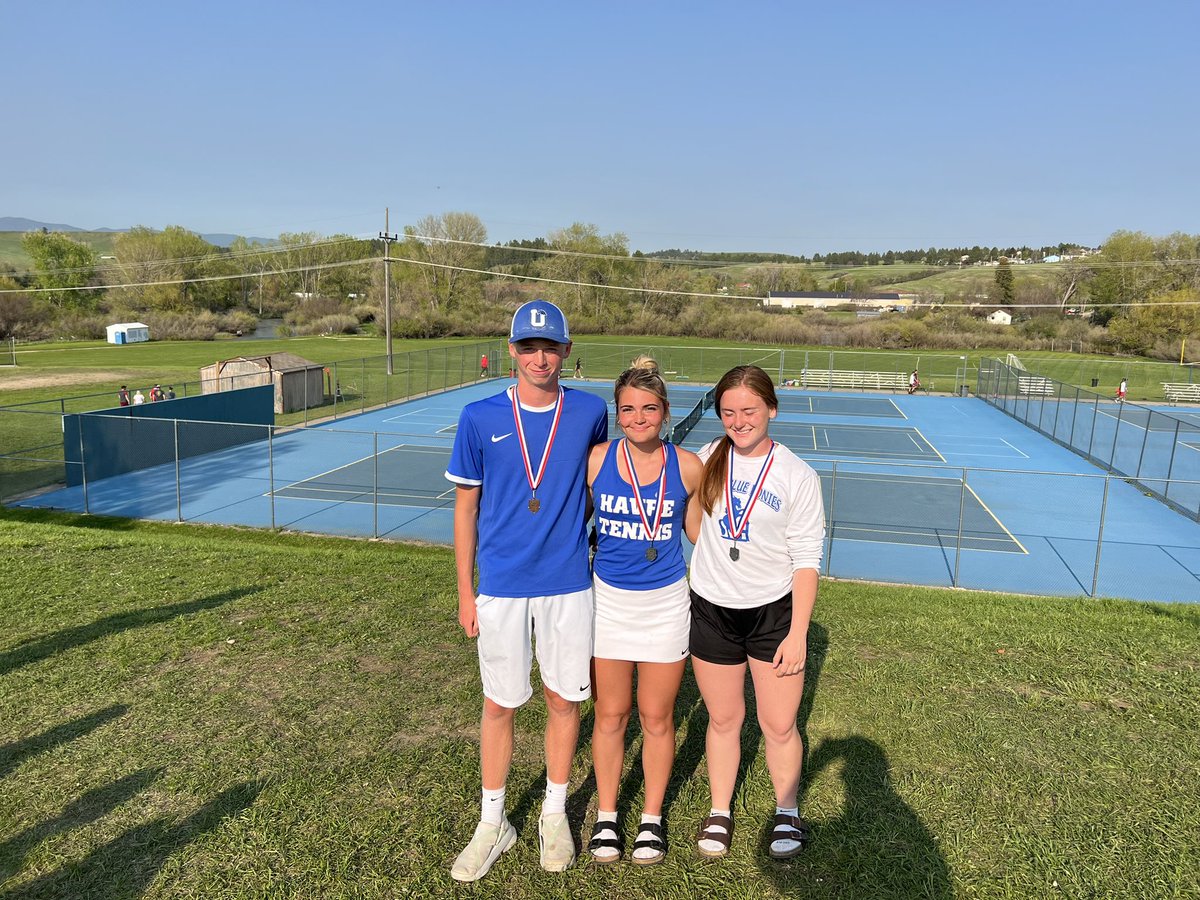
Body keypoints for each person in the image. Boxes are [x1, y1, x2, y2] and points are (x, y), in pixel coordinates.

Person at [445, 299, 609, 882]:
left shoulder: (590, 411)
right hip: (502, 586)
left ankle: (554, 811)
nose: (540, 358)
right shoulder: (477, 416)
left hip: (568, 583)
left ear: (567, 350)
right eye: (529, 347)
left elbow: (594, 484)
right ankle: (493, 822)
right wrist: (466, 592)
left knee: (564, 700)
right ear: (512, 350)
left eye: (551, 347)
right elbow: (465, 510)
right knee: (500, 703)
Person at [684, 365, 825, 861]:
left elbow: (807, 559)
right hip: (712, 610)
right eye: (728, 412)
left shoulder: (797, 475)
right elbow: (696, 528)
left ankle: (787, 811)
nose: (738, 421)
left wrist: (798, 632)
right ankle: (720, 810)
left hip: (773, 616)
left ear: (771, 409)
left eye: (749, 410)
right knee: (723, 719)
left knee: (779, 724)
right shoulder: (707, 457)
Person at [585, 357, 704, 866]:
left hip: (665, 604)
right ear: (618, 413)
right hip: (608, 603)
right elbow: (570, 523)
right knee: (611, 714)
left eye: (649, 408)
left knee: (657, 717)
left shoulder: (688, 466)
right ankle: (607, 816)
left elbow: (700, 533)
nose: (638, 418)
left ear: (665, 411)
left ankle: (651, 819)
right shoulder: (596, 460)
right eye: (628, 409)